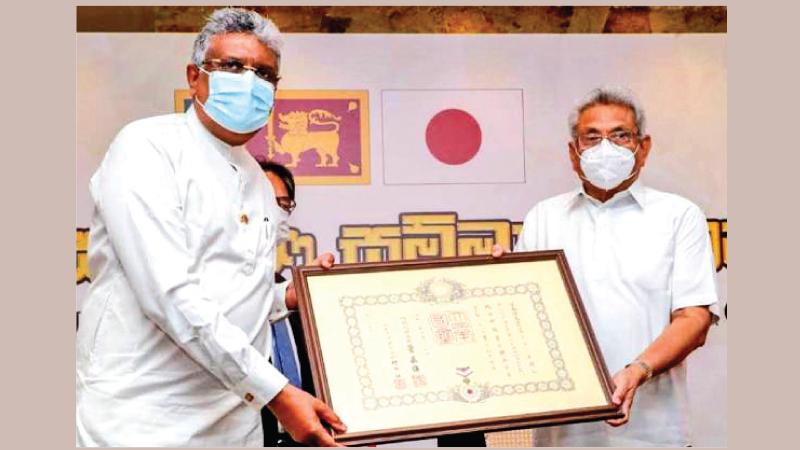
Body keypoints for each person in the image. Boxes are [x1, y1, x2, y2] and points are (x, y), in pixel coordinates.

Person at [76, 8, 346, 447]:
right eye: (232, 66)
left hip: (233, 421)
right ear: (195, 77)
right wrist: (277, 393)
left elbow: (234, 287)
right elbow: (170, 293)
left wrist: (284, 298)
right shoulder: (147, 146)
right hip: (142, 418)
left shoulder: (259, 182)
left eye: (264, 73)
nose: (249, 81)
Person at [497, 86, 718, 446]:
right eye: (592, 137)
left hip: (654, 432)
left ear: (642, 148)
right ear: (573, 153)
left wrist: (638, 371)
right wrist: (496, 285)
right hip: (562, 433)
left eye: (620, 136)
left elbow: (694, 320)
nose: (606, 149)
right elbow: (524, 320)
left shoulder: (679, 216)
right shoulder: (544, 217)